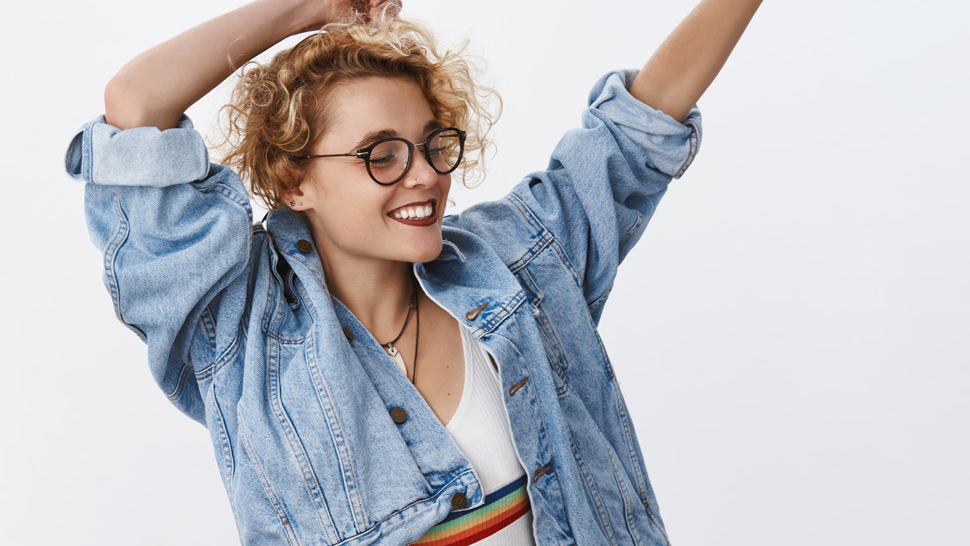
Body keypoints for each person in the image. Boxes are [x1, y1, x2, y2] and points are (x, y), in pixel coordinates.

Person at [64, 0, 761, 543]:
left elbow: (636, 131)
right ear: (293, 178)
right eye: (381, 154)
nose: (424, 175)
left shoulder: (517, 266)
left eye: (433, 145)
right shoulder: (236, 337)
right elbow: (135, 107)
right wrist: (309, 9)